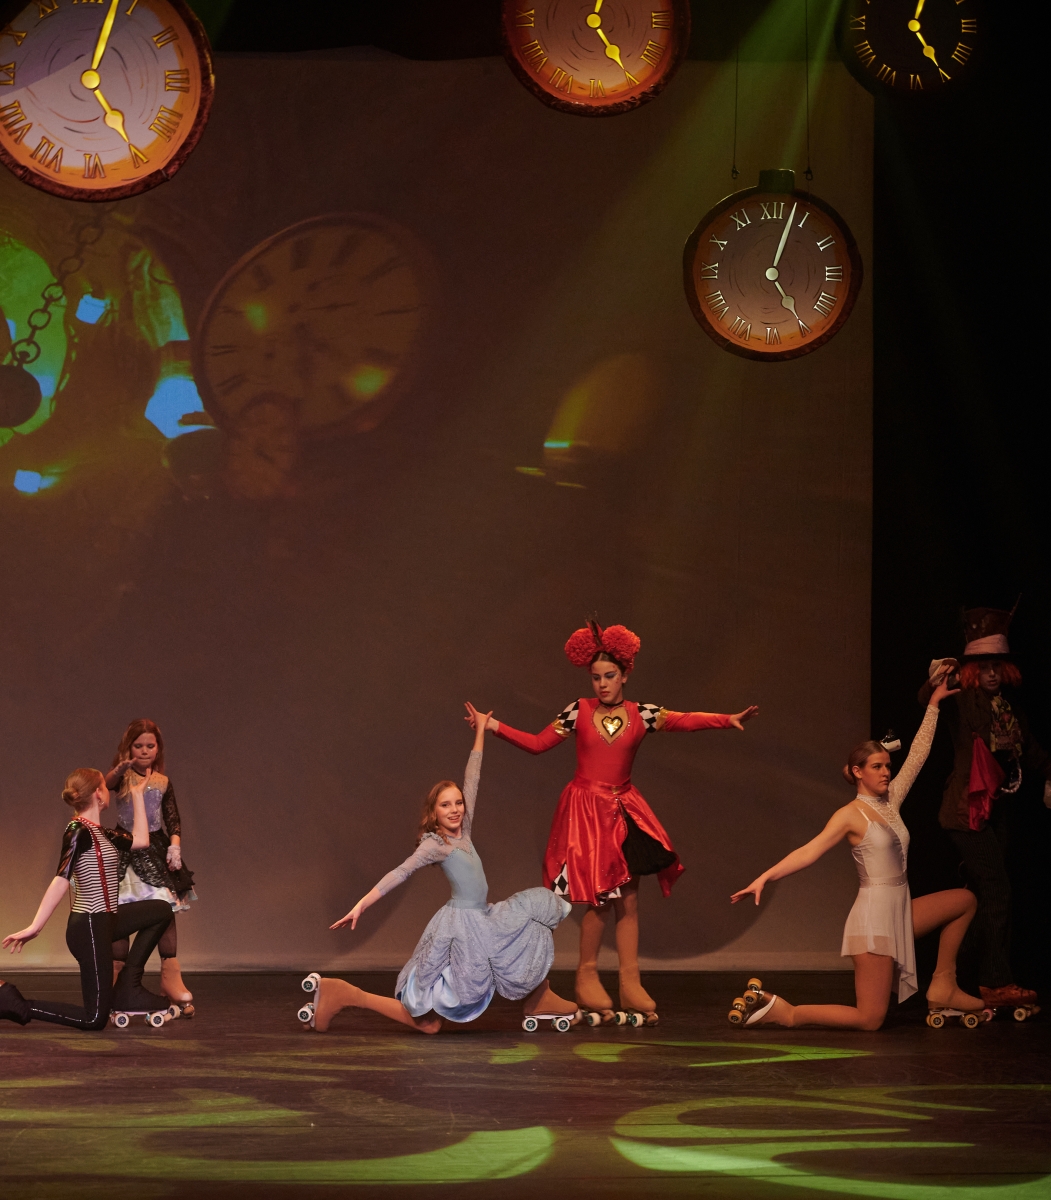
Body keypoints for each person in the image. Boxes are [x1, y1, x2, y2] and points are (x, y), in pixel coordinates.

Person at [470, 619, 758, 1024]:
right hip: (587, 812)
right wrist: (493, 726)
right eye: (596, 677)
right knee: (600, 899)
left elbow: (684, 719)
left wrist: (726, 719)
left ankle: (629, 981)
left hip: (623, 810)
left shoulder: (643, 714)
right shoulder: (579, 710)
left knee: (630, 899)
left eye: (609, 676)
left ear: (625, 675)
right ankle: (586, 974)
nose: (602, 684)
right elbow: (537, 744)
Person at [303, 705, 578, 1034]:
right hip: (461, 926)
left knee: (532, 917)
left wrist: (481, 732)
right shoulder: (436, 844)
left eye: (458, 803)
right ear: (434, 813)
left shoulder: (465, 829)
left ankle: (539, 997)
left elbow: (472, 777)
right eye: (446, 805)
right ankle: (345, 994)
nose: (455, 809)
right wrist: (361, 904)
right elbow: (400, 872)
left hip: (483, 917)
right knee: (430, 1023)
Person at [728, 675, 984, 1029]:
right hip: (874, 922)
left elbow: (917, 756)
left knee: (964, 901)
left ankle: (944, 984)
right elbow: (809, 851)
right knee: (870, 1018)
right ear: (857, 772)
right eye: (877, 767)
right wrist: (764, 878)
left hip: (899, 911)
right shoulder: (849, 815)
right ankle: (787, 1012)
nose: (885, 772)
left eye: (887, 766)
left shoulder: (891, 800)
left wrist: (934, 705)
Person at [921, 606, 1050, 1010]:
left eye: (997, 666)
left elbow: (1031, 751)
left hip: (995, 812)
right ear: (974, 671)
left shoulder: (1008, 710)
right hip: (965, 811)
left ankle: (954, 974)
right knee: (997, 890)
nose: (992, 674)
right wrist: (946, 674)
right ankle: (994, 982)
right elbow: (927, 697)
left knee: (986, 895)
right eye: (985, 667)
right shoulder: (966, 701)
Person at [0, 769, 174, 1029]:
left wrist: (138, 795)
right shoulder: (77, 830)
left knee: (160, 911)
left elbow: (141, 840)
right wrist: (35, 926)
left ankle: (128, 986)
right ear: (98, 793)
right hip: (89, 926)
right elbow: (61, 879)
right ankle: (13, 1002)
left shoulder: (101, 833)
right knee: (94, 1019)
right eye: (105, 785)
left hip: (107, 921)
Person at [104, 719, 196, 1010]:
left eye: (150, 746)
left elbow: (173, 819)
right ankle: (116, 976)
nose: (144, 751)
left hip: (155, 849)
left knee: (165, 908)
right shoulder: (121, 777)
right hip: (126, 846)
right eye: (138, 745)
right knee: (120, 910)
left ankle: (170, 975)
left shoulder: (162, 782)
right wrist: (119, 768)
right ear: (129, 747)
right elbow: (105, 787)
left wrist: (175, 846)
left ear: (158, 749)